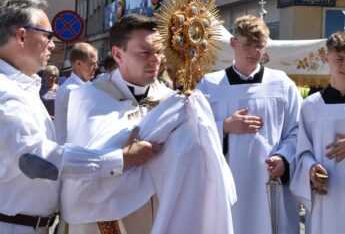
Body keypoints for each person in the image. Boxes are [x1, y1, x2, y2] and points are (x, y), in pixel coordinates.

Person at [61, 14, 235, 234]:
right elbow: (87, 158)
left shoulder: (173, 102)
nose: (156, 60)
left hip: (162, 212)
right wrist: (126, 153)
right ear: (117, 54)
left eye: (159, 52)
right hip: (105, 219)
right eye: (144, 52)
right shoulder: (89, 97)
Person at [0, 0, 160, 234]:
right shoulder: (5, 93)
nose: (53, 45)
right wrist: (120, 159)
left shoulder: (23, 86)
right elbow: (35, 160)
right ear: (22, 36)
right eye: (48, 36)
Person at [198, 15, 302, 234]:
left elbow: (298, 129)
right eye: (248, 45)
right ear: (234, 43)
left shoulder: (281, 83)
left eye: (260, 46)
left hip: (270, 179)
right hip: (227, 181)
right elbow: (193, 133)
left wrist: (284, 157)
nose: (254, 52)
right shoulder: (210, 85)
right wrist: (224, 127)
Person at [290, 31, 345, 234]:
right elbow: (303, 152)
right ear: (326, 58)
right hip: (327, 197)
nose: (344, 65)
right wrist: (311, 169)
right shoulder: (311, 105)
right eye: (339, 59)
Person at [54, 42, 98, 145]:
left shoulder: (84, 85)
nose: (96, 67)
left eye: (96, 63)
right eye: (92, 63)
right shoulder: (72, 91)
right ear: (78, 64)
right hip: (73, 152)